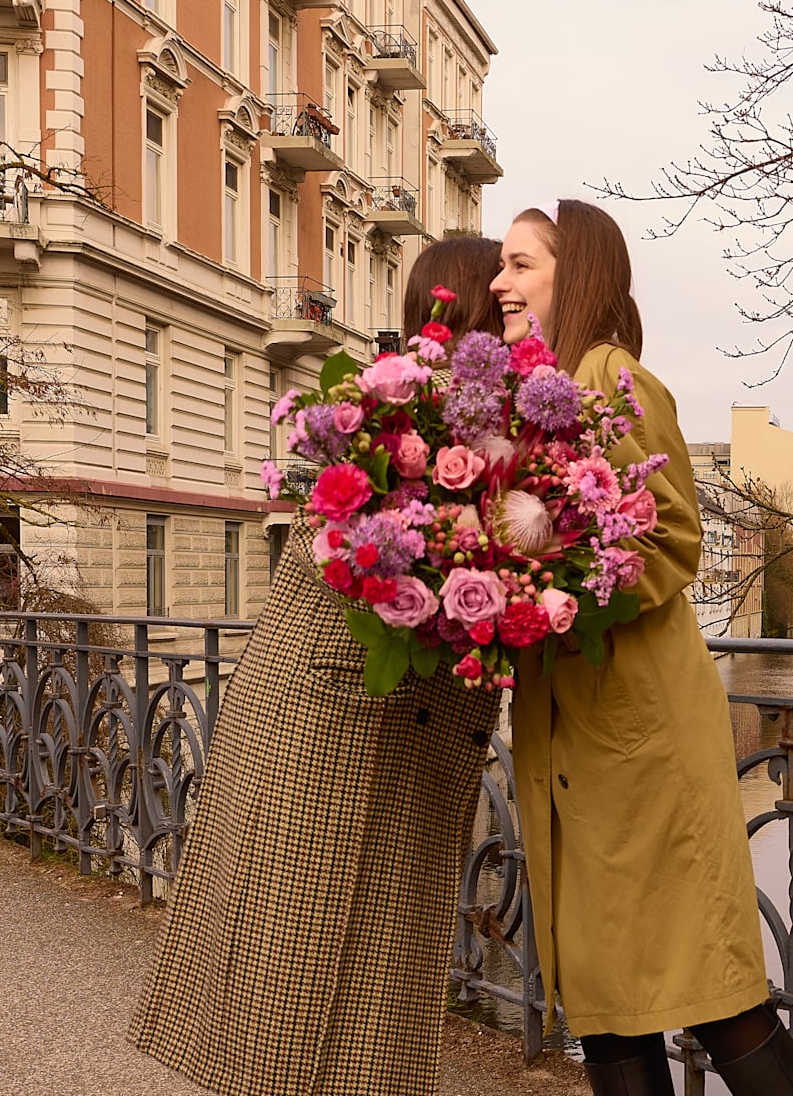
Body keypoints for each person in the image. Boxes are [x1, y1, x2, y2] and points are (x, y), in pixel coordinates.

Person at [128, 236, 508, 1096]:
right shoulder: (422, 415)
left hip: (326, 724)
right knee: (303, 1002)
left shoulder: (416, 404)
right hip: (333, 737)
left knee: (313, 1004)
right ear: (473, 311)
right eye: (508, 299)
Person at [489, 200, 793, 1095]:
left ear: (576, 271)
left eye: (520, 265)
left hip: (639, 750)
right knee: (610, 1008)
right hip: (592, 748)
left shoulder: (612, 377)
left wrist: (550, 587)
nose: (499, 282)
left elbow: (671, 538)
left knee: (713, 996)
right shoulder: (550, 389)